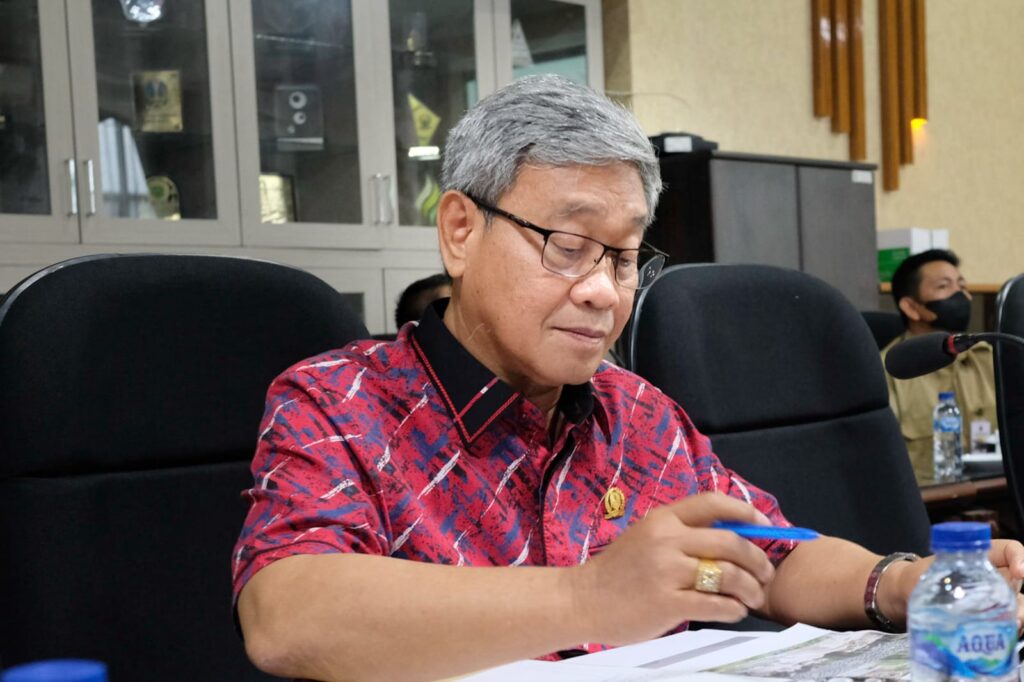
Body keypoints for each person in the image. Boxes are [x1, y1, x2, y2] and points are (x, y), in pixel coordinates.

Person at [233, 76, 1024, 682]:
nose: (604, 292)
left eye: (623, 258)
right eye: (568, 246)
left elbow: (772, 553)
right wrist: (591, 597)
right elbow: (286, 614)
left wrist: (902, 584)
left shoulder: (635, 411)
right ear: (461, 231)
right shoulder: (339, 401)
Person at [880, 249, 997, 483]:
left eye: (962, 286)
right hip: (929, 498)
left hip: (998, 489)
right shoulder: (889, 370)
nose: (961, 295)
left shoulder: (989, 357)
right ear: (911, 307)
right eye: (944, 286)